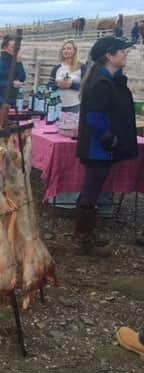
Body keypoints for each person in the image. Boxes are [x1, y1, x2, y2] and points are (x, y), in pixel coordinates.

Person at [75, 36, 137, 257]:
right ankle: (84, 242)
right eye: (122, 51)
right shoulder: (101, 83)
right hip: (97, 149)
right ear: (110, 56)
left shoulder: (108, 79)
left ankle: (85, 236)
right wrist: (110, 140)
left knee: (91, 190)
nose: (125, 54)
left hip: (100, 148)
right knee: (91, 192)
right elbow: (94, 118)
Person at [49, 40, 86, 113]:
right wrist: (58, 84)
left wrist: (71, 85)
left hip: (74, 105)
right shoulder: (56, 68)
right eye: (64, 49)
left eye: (69, 49)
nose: (66, 51)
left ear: (74, 51)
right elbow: (49, 86)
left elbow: (85, 86)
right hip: (57, 105)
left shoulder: (82, 67)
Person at [0, 35, 26, 109]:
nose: (16, 50)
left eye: (17, 47)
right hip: (0, 101)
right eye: (13, 47)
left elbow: (22, 78)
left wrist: (19, 63)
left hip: (14, 100)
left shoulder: (16, 61)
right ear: (5, 48)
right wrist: (11, 84)